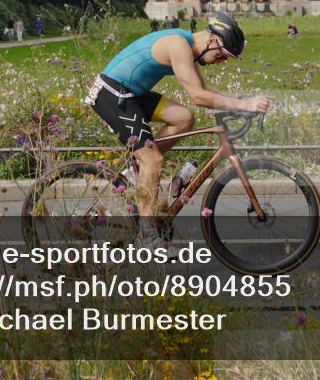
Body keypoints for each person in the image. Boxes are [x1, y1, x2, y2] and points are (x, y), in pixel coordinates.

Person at [86, 12, 271, 226]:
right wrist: (244, 105)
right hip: (111, 94)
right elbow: (197, 96)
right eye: (222, 55)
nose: (221, 62)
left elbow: (203, 89)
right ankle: (148, 235)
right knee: (153, 160)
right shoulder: (178, 45)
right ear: (212, 41)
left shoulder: (189, 48)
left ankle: (140, 164)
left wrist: (242, 100)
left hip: (131, 94)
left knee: (183, 118)